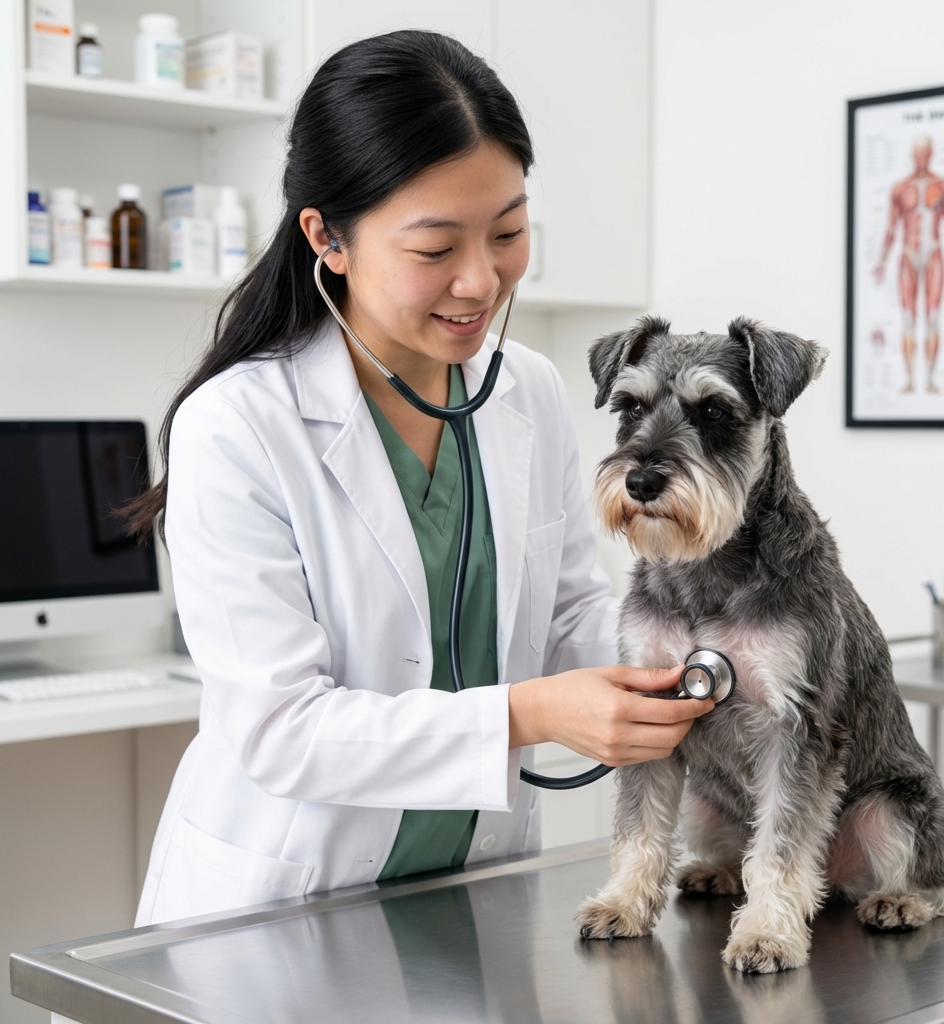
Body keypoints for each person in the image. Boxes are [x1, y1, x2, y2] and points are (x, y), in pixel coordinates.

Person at [128, 30, 712, 926]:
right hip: (283, 907)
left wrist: (696, 655)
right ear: (327, 237)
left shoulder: (530, 391)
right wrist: (529, 714)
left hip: (471, 891)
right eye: (436, 248)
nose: (481, 279)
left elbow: (565, 615)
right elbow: (282, 730)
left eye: (509, 232)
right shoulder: (240, 424)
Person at [873, 135, 944, 394]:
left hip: (934, 253)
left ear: (931, 153)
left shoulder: (943, 185)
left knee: (933, 318)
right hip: (908, 254)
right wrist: (881, 261)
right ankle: (909, 379)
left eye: (924, 152)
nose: (920, 157)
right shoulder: (900, 188)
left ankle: (928, 379)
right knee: (907, 318)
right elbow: (891, 228)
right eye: (916, 152)